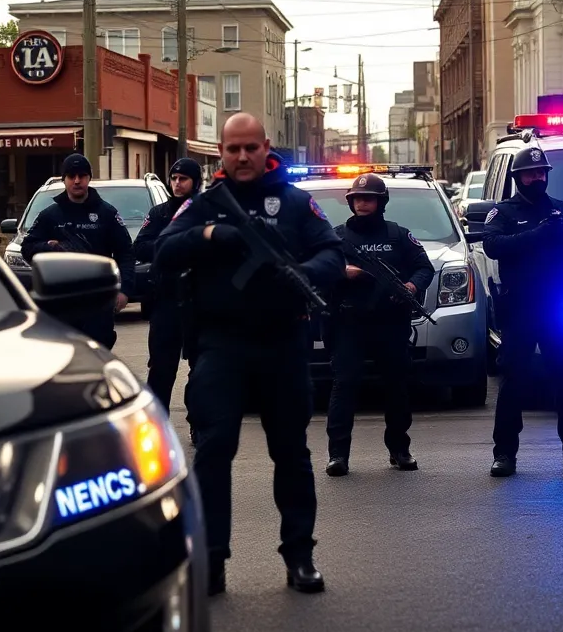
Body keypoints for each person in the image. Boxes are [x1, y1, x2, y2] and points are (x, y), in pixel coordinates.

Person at [154, 113, 344, 596]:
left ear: (265, 148)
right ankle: (212, 560)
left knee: (292, 453)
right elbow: (162, 252)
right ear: (221, 151)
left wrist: (301, 270)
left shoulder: (296, 202)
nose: (241, 157)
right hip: (221, 344)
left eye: (250, 148)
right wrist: (211, 236)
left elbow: (332, 256)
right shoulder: (204, 204)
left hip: (282, 342)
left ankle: (299, 555)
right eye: (232, 149)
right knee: (215, 451)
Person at [481, 145, 563, 478]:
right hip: (521, 307)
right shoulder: (504, 213)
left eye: (541, 172)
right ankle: (505, 455)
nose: (537, 177)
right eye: (530, 173)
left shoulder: (561, 210)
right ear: (517, 177)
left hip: (557, 306)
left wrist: (559, 232)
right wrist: (536, 236)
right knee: (514, 381)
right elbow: (492, 245)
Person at [324, 172, 435, 477]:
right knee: (344, 385)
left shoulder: (398, 235)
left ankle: (399, 450)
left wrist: (411, 287)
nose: (362, 203)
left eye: (368, 199)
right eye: (357, 198)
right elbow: (316, 269)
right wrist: (341, 271)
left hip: (390, 321)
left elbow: (424, 268)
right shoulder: (336, 237)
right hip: (350, 322)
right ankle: (338, 455)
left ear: (380, 202)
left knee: (397, 386)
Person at [21, 153, 133, 349]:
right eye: (71, 176)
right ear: (64, 179)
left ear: (89, 178)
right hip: (62, 301)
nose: (77, 181)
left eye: (82, 175)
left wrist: (124, 291)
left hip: (98, 299)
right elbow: (28, 248)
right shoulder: (50, 216)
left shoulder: (107, 214)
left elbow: (126, 253)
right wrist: (50, 247)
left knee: (98, 356)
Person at [133, 157, 202, 408]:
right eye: (173, 178)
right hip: (166, 300)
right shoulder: (160, 213)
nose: (177, 183)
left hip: (199, 302)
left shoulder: (206, 212)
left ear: (195, 182)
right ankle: (156, 422)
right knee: (161, 367)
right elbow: (140, 247)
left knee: (201, 368)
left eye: (183, 179)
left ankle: (199, 422)